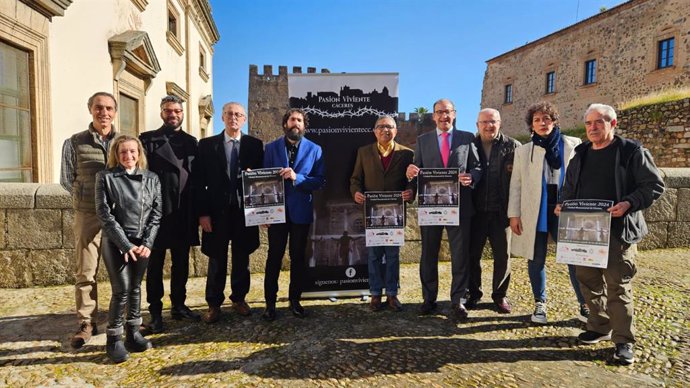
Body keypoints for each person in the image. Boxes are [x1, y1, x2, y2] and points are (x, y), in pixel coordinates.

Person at [558, 103, 664, 365]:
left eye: (599, 122)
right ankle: (599, 325)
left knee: (618, 286)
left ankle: (623, 341)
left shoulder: (632, 151)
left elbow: (653, 185)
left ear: (613, 124)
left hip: (619, 232)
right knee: (588, 281)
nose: (593, 128)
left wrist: (628, 203)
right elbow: (569, 187)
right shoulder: (581, 152)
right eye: (589, 123)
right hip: (583, 231)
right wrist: (563, 204)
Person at [507, 101, 586, 324]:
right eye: (537, 120)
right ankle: (539, 303)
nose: (543, 123)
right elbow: (516, 184)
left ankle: (585, 303)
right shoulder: (523, 151)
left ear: (554, 121)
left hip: (566, 209)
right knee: (536, 257)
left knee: (574, 257)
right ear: (531, 125)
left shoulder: (573, 144)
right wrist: (514, 214)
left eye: (547, 119)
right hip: (536, 209)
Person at [405, 98, 482, 319]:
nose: (443, 116)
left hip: (460, 208)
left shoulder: (467, 138)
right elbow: (416, 168)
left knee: (460, 256)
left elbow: (477, 167)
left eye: (447, 112)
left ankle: (458, 300)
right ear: (433, 116)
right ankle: (429, 300)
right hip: (431, 208)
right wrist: (411, 172)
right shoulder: (422, 140)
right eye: (439, 112)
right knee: (428, 255)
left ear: (455, 114)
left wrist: (472, 177)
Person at [94, 135, 162, 363]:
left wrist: (147, 243)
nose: (128, 156)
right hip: (115, 242)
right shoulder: (105, 177)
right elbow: (105, 215)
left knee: (135, 287)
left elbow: (156, 213)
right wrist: (125, 244)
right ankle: (113, 339)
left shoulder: (152, 178)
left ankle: (133, 332)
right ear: (116, 154)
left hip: (142, 243)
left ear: (139, 153)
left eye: (133, 151)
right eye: (123, 152)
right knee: (121, 289)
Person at [194, 102, 264, 323]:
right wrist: (202, 213)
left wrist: (262, 212)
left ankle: (239, 299)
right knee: (216, 258)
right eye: (229, 114)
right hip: (216, 213)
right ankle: (214, 304)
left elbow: (262, 181)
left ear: (244, 119)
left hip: (245, 213)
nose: (234, 117)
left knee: (242, 257)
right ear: (222, 118)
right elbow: (198, 182)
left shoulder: (255, 145)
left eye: (238, 115)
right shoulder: (206, 145)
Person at [60, 92, 119, 349]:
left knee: (121, 270)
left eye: (108, 108)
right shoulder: (75, 142)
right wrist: (86, 198)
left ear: (115, 112)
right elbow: (66, 179)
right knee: (85, 271)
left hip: (119, 215)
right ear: (90, 110)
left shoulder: (124, 141)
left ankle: (125, 316)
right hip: (88, 214)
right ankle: (86, 322)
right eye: (98, 108)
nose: (103, 113)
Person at [139, 95, 200, 333]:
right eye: (168, 111)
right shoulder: (148, 141)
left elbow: (199, 177)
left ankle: (179, 305)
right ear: (161, 112)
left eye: (176, 111)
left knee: (181, 262)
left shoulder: (192, 142)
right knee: (154, 265)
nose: (172, 114)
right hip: (157, 213)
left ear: (182, 113)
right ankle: (155, 312)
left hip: (183, 211)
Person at [262, 108, 325, 321]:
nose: (295, 123)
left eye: (299, 120)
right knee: (273, 258)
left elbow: (319, 181)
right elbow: (262, 182)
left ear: (304, 126)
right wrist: (263, 214)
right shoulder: (270, 148)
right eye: (292, 120)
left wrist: (297, 177)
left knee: (298, 258)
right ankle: (270, 304)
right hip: (275, 214)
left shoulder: (315, 150)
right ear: (285, 124)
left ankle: (294, 301)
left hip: (300, 213)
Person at [350, 115, 414, 312]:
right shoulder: (363, 152)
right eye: (381, 127)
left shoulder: (407, 154)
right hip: (372, 214)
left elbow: (412, 181)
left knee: (393, 256)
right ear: (374, 130)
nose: (385, 130)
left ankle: (392, 294)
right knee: (374, 256)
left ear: (396, 131)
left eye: (389, 127)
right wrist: (356, 193)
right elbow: (355, 179)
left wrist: (411, 191)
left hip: (395, 215)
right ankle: (375, 294)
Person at [468, 108, 521, 314]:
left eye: (493, 122)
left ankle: (499, 296)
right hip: (476, 212)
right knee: (472, 256)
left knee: (503, 257)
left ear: (500, 123)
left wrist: (516, 211)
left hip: (502, 212)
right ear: (477, 125)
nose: (489, 126)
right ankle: (474, 294)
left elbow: (519, 182)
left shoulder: (513, 146)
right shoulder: (469, 146)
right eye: (484, 122)